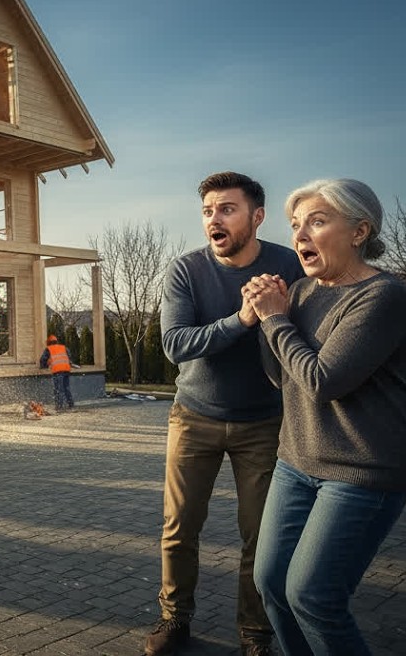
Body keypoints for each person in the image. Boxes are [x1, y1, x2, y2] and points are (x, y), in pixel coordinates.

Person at [243, 178, 406, 656]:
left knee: (314, 596)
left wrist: (276, 320)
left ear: (360, 230)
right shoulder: (299, 292)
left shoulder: (383, 296)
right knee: (272, 584)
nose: (300, 235)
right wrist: (263, 314)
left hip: (364, 469)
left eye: (317, 222)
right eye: (297, 224)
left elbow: (323, 382)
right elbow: (282, 378)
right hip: (297, 461)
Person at [146, 171, 304, 656]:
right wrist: (242, 319)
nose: (214, 219)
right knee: (179, 528)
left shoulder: (289, 265)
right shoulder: (185, 271)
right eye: (208, 211)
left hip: (265, 423)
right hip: (194, 416)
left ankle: (256, 633)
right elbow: (175, 345)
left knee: (261, 536)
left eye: (227, 209)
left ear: (256, 217)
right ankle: (175, 620)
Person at [38, 335, 74, 411]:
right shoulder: (64, 347)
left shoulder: (49, 349)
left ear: (49, 343)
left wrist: (43, 367)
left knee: (58, 389)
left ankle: (59, 407)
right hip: (66, 370)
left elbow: (43, 359)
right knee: (66, 388)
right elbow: (69, 357)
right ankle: (71, 405)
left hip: (58, 371)